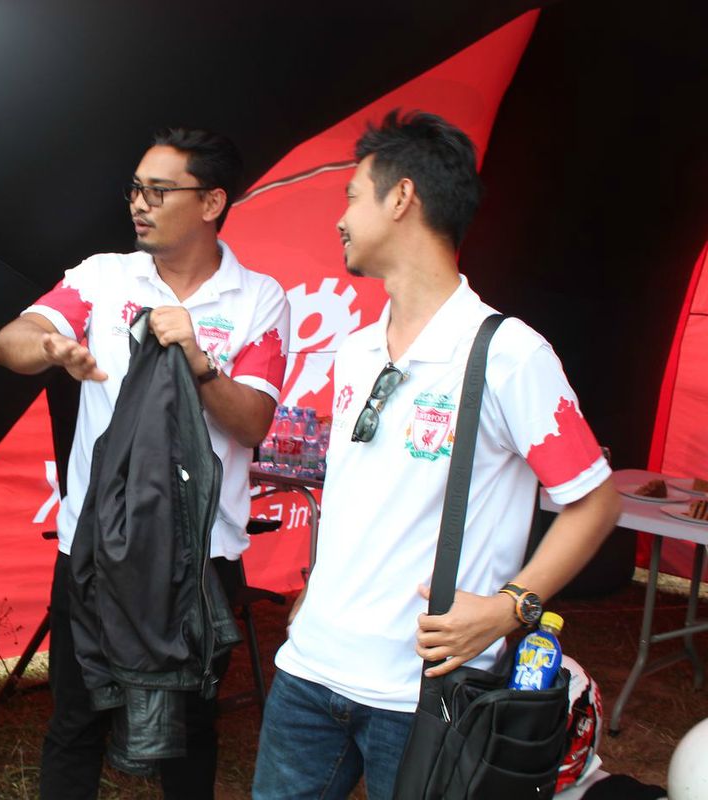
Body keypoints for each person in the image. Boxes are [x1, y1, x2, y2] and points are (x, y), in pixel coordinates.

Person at [251, 110, 621, 800]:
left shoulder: (508, 354)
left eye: (352, 197)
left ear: (402, 197)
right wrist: (317, 587)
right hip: (309, 673)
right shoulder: (357, 350)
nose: (342, 219)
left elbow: (595, 501)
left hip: (424, 693)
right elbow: (363, 492)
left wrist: (511, 608)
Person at [0, 127, 290, 799]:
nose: (139, 204)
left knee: (191, 728)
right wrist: (51, 348)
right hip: (96, 549)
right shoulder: (103, 277)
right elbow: (10, 342)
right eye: (135, 189)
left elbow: (252, 422)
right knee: (77, 720)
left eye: (158, 191)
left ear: (211, 202)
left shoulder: (258, 298)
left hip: (200, 556)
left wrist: (198, 361)